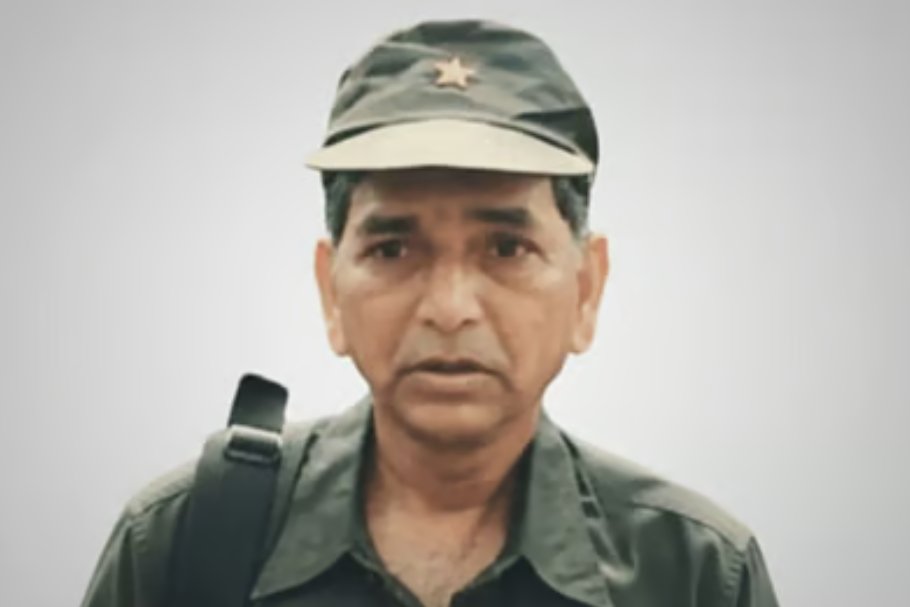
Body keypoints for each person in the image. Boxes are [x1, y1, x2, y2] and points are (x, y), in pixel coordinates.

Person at [81, 19, 780, 607]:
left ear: (586, 289)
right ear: (330, 290)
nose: (449, 309)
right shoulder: (181, 544)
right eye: (392, 249)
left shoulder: (691, 575)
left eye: (506, 247)